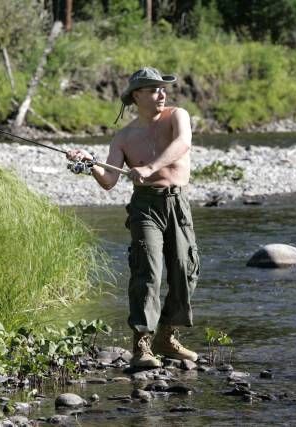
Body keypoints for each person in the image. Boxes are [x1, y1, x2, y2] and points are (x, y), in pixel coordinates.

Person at [66, 67, 200, 368]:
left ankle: (167, 335)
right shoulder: (124, 137)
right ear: (136, 95)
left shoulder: (178, 116)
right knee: (147, 271)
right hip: (144, 208)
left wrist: (150, 167)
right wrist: (88, 163)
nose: (161, 94)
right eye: (154, 89)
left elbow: (182, 144)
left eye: (163, 89)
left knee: (185, 270)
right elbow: (109, 180)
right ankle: (142, 343)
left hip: (177, 203)